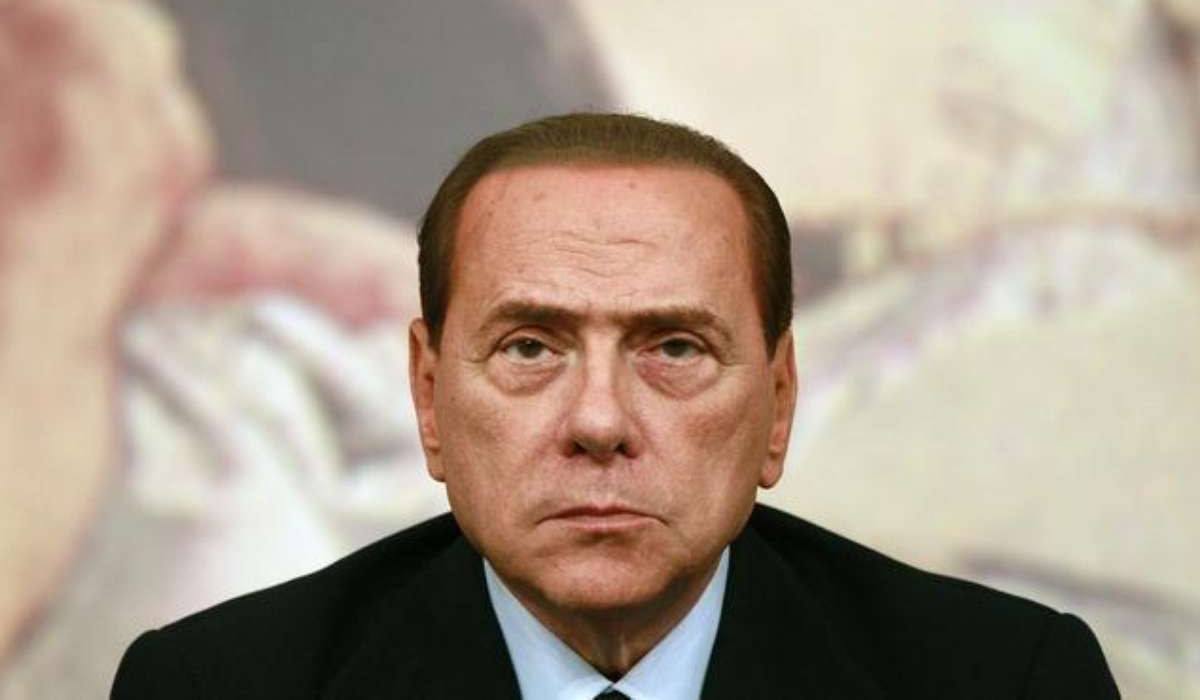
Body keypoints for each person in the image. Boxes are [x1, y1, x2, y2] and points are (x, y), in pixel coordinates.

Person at [111, 113, 1120, 698]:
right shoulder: (217, 692)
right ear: (428, 398)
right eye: (530, 348)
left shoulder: (1006, 686)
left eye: (674, 348)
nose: (599, 421)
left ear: (777, 405)